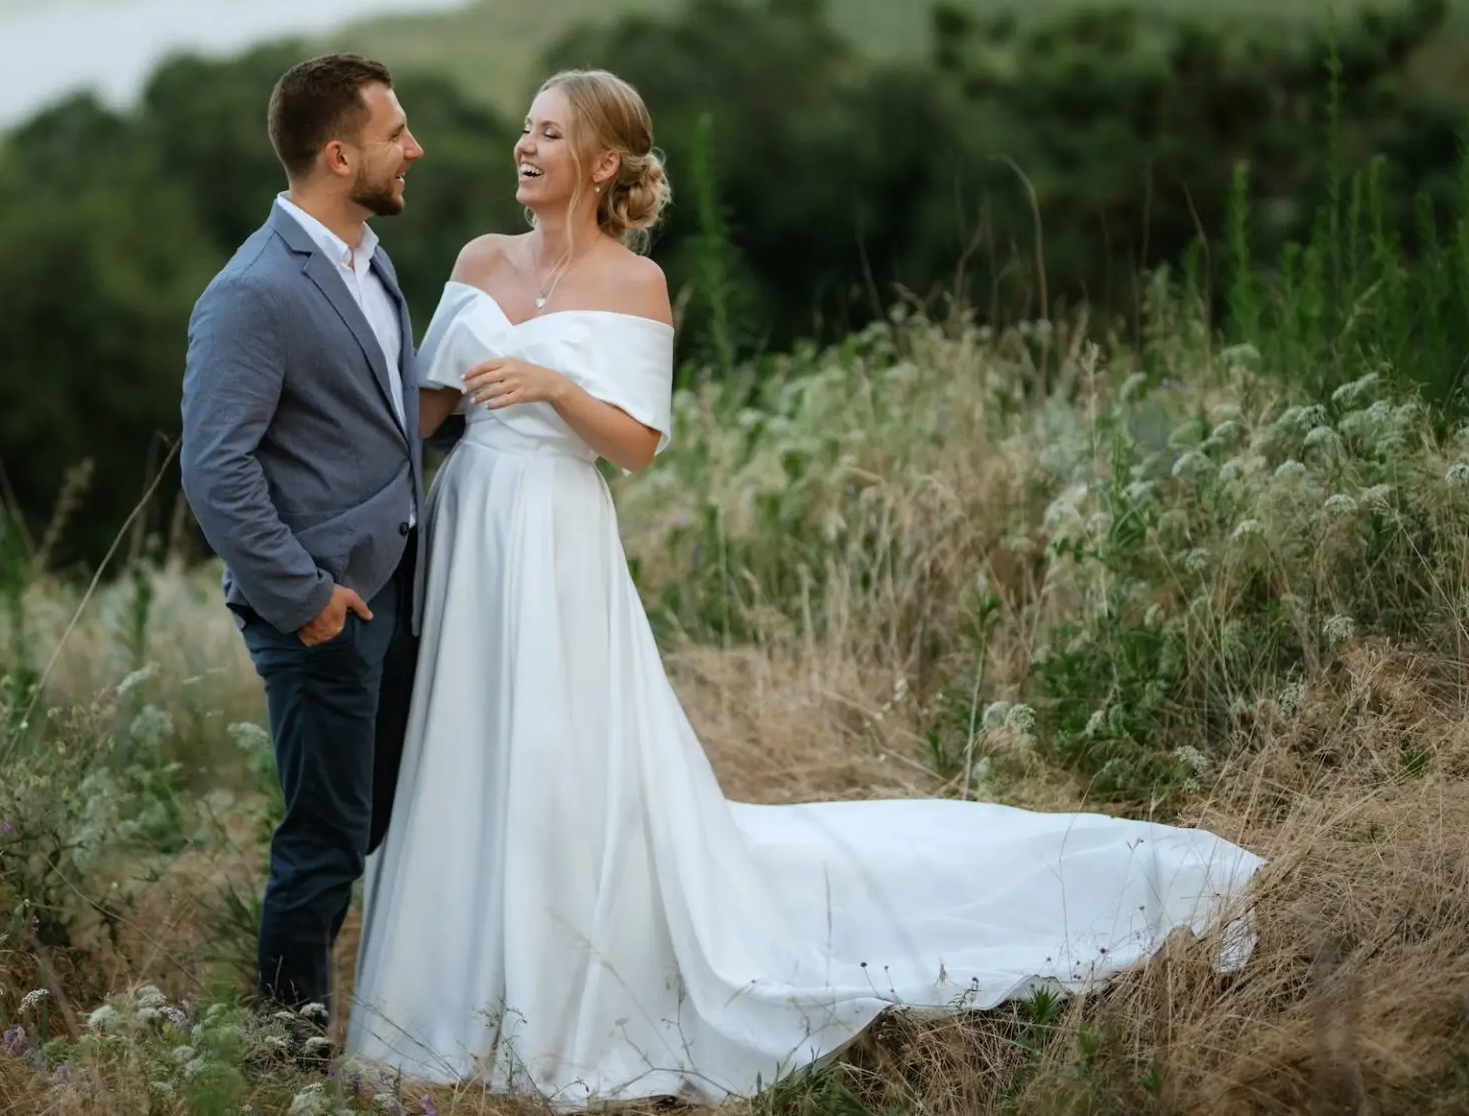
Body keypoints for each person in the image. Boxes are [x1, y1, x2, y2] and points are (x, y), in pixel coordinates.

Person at [344, 69, 1265, 1104]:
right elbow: (421, 412)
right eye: (525, 129)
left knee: (561, 754)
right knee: (467, 743)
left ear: (600, 164)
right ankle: (450, 1001)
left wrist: (555, 384)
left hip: (558, 532)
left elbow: (639, 445)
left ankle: (565, 991)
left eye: (549, 135)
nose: (525, 147)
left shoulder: (633, 284)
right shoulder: (477, 259)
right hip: (472, 527)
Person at [179, 53, 426, 1043]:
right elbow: (215, 468)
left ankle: (380, 1016)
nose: (414, 147)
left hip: (398, 589)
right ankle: (289, 1062)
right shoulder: (251, 293)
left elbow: (372, 414)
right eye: (395, 133)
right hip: (323, 612)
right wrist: (306, 596)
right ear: (337, 154)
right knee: (324, 840)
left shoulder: (370, 257)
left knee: (371, 821)